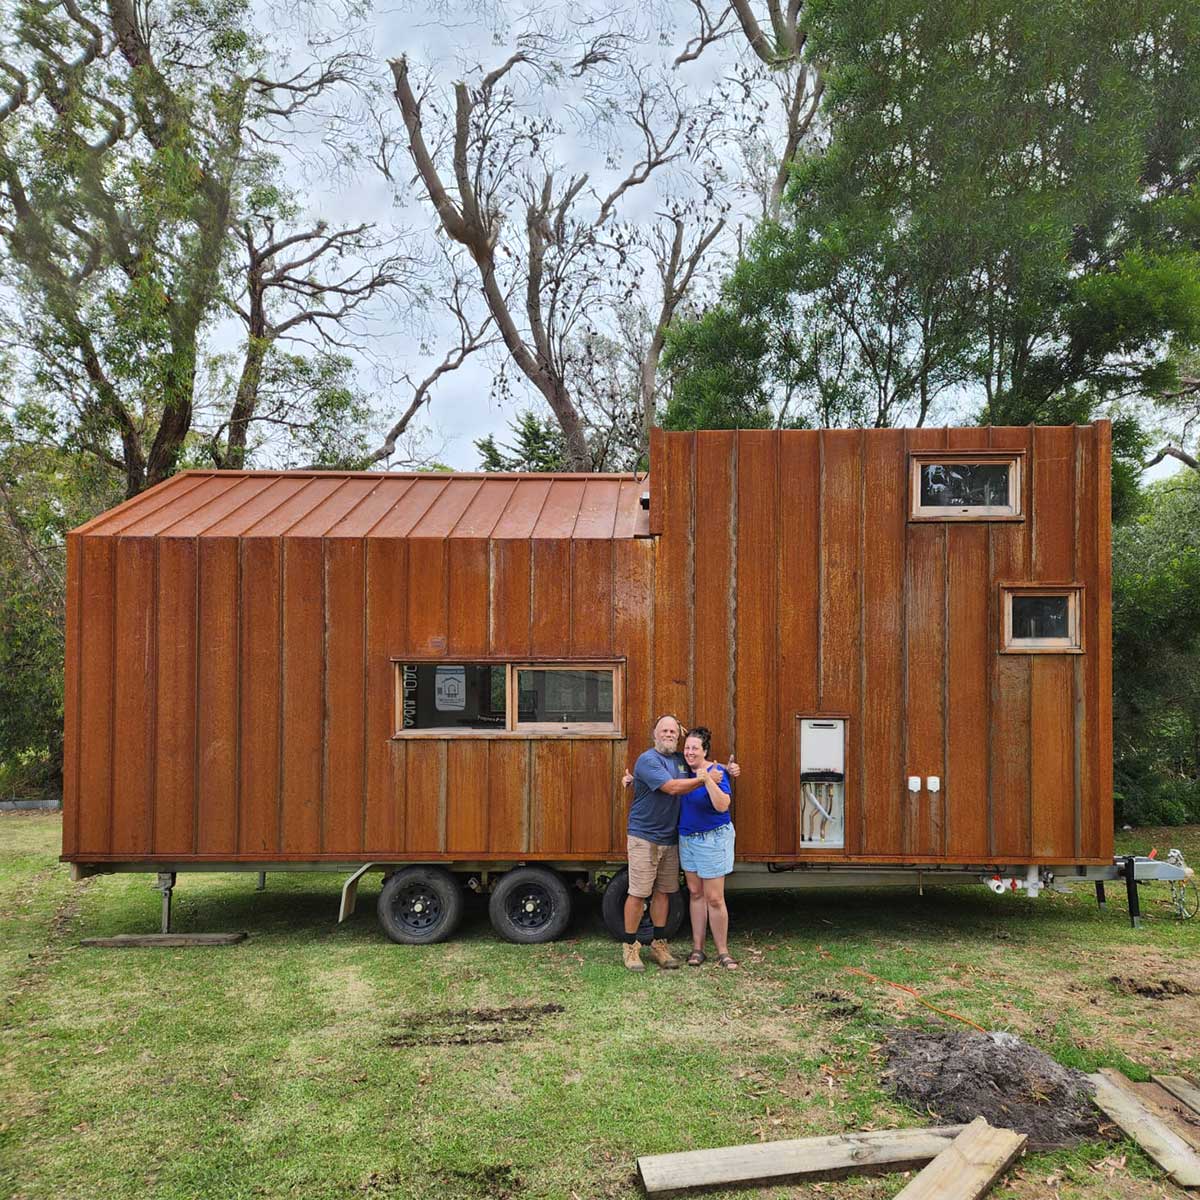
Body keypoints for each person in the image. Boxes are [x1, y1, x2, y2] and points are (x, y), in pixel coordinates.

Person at [621, 715, 738, 972]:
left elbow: (714, 787)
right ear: (655, 734)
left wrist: (727, 771)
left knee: (664, 893)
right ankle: (630, 946)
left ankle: (659, 944)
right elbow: (673, 787)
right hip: (645, 837)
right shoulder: (648, 760)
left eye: (673, 732)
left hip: (672, 839)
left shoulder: (680, 761)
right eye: (664, 730)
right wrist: (704, 778)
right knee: (639, 893)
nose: (669, 735)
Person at [679, 727, 738, 969]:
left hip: (713, 839)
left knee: (714, 898)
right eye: (687, 748)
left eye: (695, 748)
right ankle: (697, 948)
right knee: (695, 893)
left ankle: (723, 952)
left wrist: (707, 778)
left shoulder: (718, 771)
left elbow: (723, 805)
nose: (690, 752)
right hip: (687, 839)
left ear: (705, 751)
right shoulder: (680, 769)